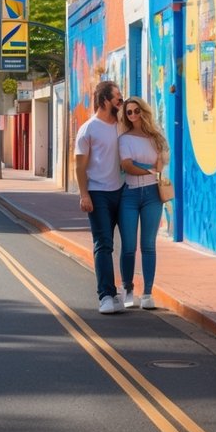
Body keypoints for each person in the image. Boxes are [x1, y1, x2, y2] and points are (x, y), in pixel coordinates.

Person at [74, 80, 126, 314]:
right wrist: (84, 194)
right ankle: (105, 295)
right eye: (117, 97)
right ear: (105, 100)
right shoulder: (88, 129)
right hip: (98, 193)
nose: (121, 101)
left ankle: (123, 292)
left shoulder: (123, 125)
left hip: (123, 192)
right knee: (103, 243)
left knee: (128, 244)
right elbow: (79, 167)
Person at [116, 96, 168, 310]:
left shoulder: (157, 138)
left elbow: (162, 163)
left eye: (137, 111)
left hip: (152, 195)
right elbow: (127, 166)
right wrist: (148, 168)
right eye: (129, 112)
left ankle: (147, 293)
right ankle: (128, 290)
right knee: (128, 247)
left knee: (148, 246)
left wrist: (144, 166)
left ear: (143, 112)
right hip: (129, 195)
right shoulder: (124, 139)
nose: (133, 115)